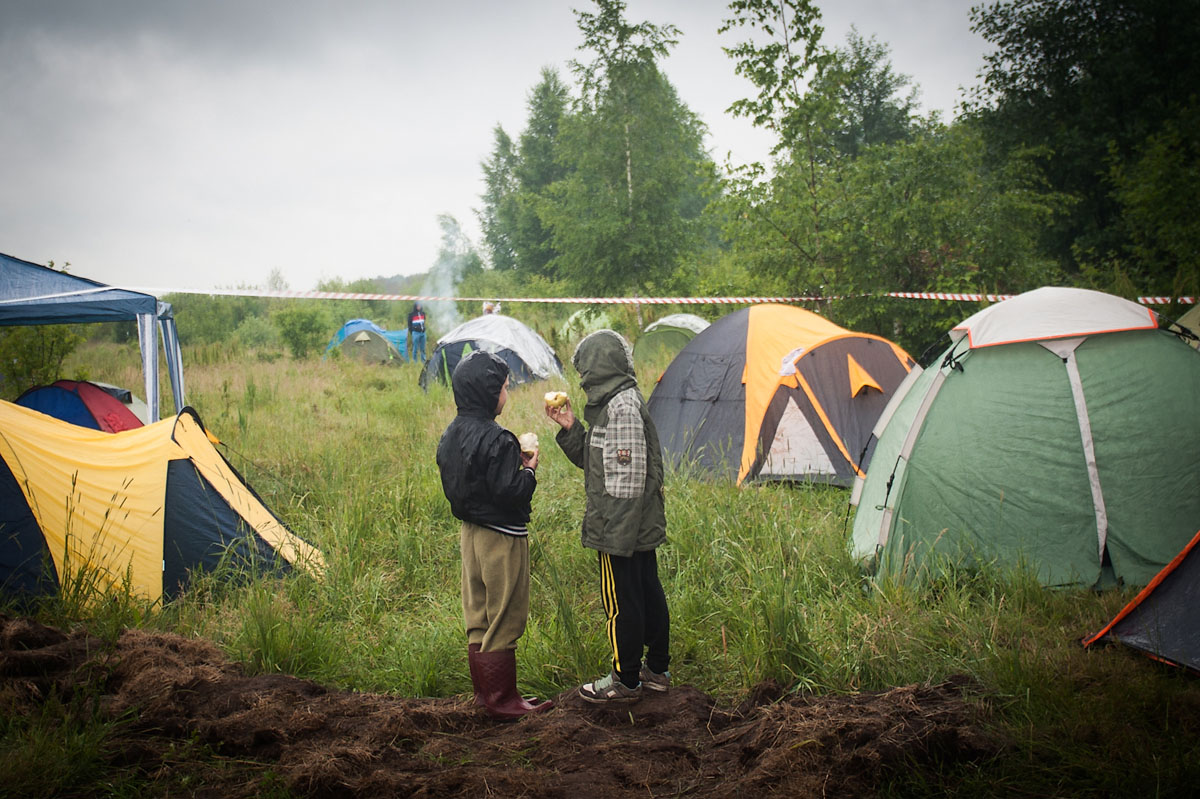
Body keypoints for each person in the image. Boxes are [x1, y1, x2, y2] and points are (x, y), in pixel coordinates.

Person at [545, 329, 671, 703]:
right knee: (646, 594)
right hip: (632, 527)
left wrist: (615, 541)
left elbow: (626, 486)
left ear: (597, 368)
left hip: (622, 530)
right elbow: (597, 463)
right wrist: (571, 429)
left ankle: (626, 680)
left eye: (584, 369)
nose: (581, 379)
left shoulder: (621, 409)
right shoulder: (617, 404)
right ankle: (657, 671)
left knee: (622, 603)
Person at [436, 350, 553, 721]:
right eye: (504, 388)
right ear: (488, 393)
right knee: (505, 613)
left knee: (479, 615)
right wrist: (528, 469)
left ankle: (485, 697)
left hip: (469, 534)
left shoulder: (451, 433)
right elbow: (512, 492)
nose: (507, 394)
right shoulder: (500, 440)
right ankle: (503, 699)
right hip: (502, 538)